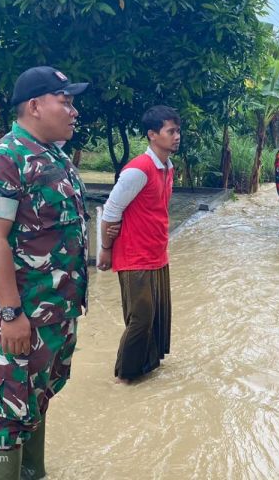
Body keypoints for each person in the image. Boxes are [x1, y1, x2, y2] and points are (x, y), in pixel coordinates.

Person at [0, 66, 89, 479]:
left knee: (37, 398)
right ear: (36, 106)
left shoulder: (53, 154)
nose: (74, 110)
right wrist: (11, 315)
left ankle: (32, 473)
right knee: (9, 408)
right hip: (25, 315)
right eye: (66, 100)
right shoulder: (5, 158)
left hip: (57, 310)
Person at [97, 106, 180, 384]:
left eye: (177, 131)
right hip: (135, 257)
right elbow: (110, 212)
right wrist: (106, 249)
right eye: (171, 131)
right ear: (153, 135)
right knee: (141, 319)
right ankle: (124, 378)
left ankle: (147, 370)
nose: (176, 136)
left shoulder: (168, 167)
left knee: (156, 318)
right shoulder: (137, 170)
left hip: (157, 253)